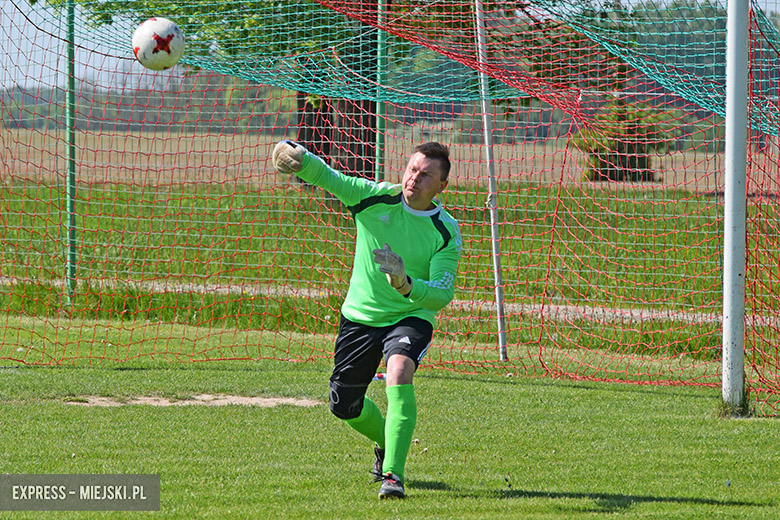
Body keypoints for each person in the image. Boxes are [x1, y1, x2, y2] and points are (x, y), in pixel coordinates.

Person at [272, 139, 462, 499]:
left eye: (425, 175)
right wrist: (298, 156)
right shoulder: (374, 198)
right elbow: (331, 178)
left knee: (399, 370)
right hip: (360, 315)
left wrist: (406, 284)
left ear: (441, 186)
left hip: (410, 313)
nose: (414, 179)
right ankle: (384, 440)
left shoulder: (445, 232)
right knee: (344, 405)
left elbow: (441, 292)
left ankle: (393, 474)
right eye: (412, 169)